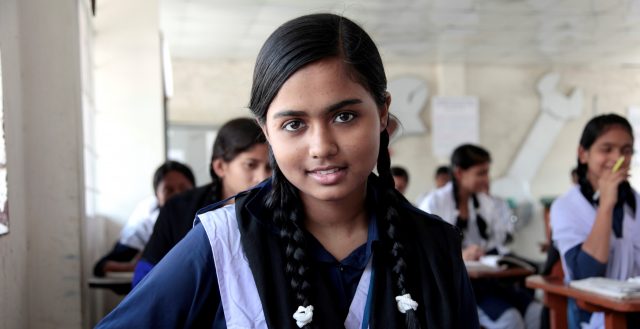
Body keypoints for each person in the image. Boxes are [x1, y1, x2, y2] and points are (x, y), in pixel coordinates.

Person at [96, 13, 478, 329]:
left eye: (345, 116)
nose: (322, 147)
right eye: (294, 124)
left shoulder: (434, 246)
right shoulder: (223, 242)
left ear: (381, 113)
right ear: (266, 132)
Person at [132, 117, 271, 287]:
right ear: (220, 166)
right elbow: (146, 274)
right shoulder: (178, 210)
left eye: (270, 167)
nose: (264, 177)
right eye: (250, 165)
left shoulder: (280, 210)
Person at [419, 144, 540, 329]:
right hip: (458, 286)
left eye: (487, 172)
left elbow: (499, 241)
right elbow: (425, 250)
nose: (486, 179)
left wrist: (486, 251)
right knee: (510, 319)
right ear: (459, 173)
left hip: (489, 281)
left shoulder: (485, 203)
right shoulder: (434, 203)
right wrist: (460, 255)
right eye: (480, 173)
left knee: (536, 312)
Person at [551, 113, 640, 329]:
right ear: (583, 154)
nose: (618, 159)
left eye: (626, 151)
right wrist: (606, 205)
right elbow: (585, 274)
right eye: (606, 149)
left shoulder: (635, 202)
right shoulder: (566, 206)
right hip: (595, 317)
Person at [92, 160, 196, 278]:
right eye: (169, 190)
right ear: (157, 196)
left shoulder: (206, 219)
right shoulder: (145, 225)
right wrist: (140, 266)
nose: (178, 196)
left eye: (184, 189)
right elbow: (101, 267)